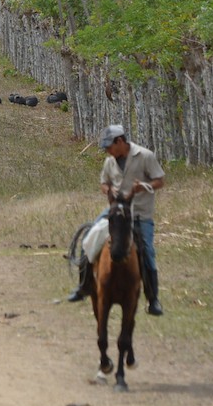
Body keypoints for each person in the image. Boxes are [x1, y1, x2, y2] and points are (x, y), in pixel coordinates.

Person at [67, 124, 166, 315]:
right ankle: (84, 286)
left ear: (120, 141)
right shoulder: (110, 162)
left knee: (147, 251)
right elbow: (103, 183)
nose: (107, 151)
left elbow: (160, 180)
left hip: (139, 214)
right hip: (115, 211)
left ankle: (153, 300)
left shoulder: (145, 156)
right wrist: (108, 190)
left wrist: (144, 186)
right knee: (90, 237)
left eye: (108, 146)